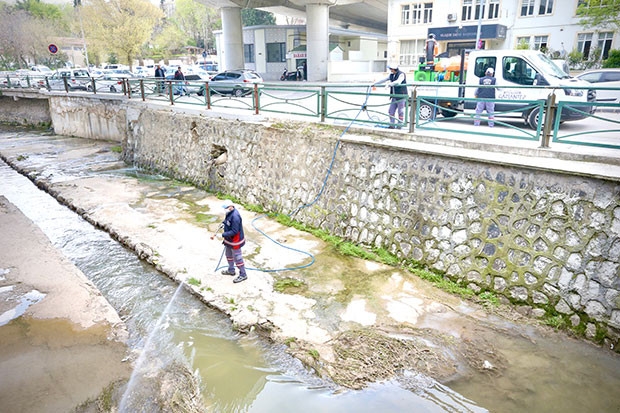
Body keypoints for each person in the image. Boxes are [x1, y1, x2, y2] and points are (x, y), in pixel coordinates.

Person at [211, 201, 247, 283]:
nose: (225, 210)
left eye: (226, 208)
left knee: (237, 258)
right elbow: (227, 220)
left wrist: (222, 235)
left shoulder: (235, 217)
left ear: (231, 206)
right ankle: (231, 270)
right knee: (228, 255)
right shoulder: (229, 213)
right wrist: (223, 224)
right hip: (229, 239)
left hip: (235, 240)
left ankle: (243, 274)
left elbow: (234, 231)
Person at [373, 63, 408, 129]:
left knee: (400, 111)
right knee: (391, 111)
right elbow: (384, 80)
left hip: (401, 96)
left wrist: (390, 84)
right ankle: (392, 125)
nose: (390, 70)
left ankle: (399, 125)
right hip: (394, 96)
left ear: (394, 69)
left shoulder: (401, 74)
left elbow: (398, 82)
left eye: (391, 69)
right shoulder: (391, 75)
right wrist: (374, 84)